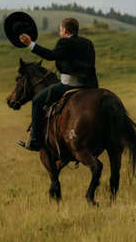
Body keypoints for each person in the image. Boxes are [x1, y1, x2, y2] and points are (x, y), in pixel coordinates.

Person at [17, 17, 98, 151]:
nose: (60, 31)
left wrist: (30, 44)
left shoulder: (64, 42)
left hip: (69, 85)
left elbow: (50, 55)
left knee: (37, 101)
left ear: (65, 30)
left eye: (60, 29)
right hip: (89, 86)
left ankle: (35, 141)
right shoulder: (88, 43)